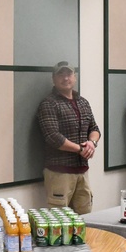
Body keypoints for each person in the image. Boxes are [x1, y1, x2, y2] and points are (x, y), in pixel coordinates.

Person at [36, 61, 101, 213]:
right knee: (60, 221)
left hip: (82, 171)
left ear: (75, 77)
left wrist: (92, 143)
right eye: (61, 75)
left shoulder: (83, 102)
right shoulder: (49, 104)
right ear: (53, 79)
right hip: (60, 173)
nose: (66, 78)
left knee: (86, 218)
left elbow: (95, 128)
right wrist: (80, 149)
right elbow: (53, 137)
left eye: (69, 74)